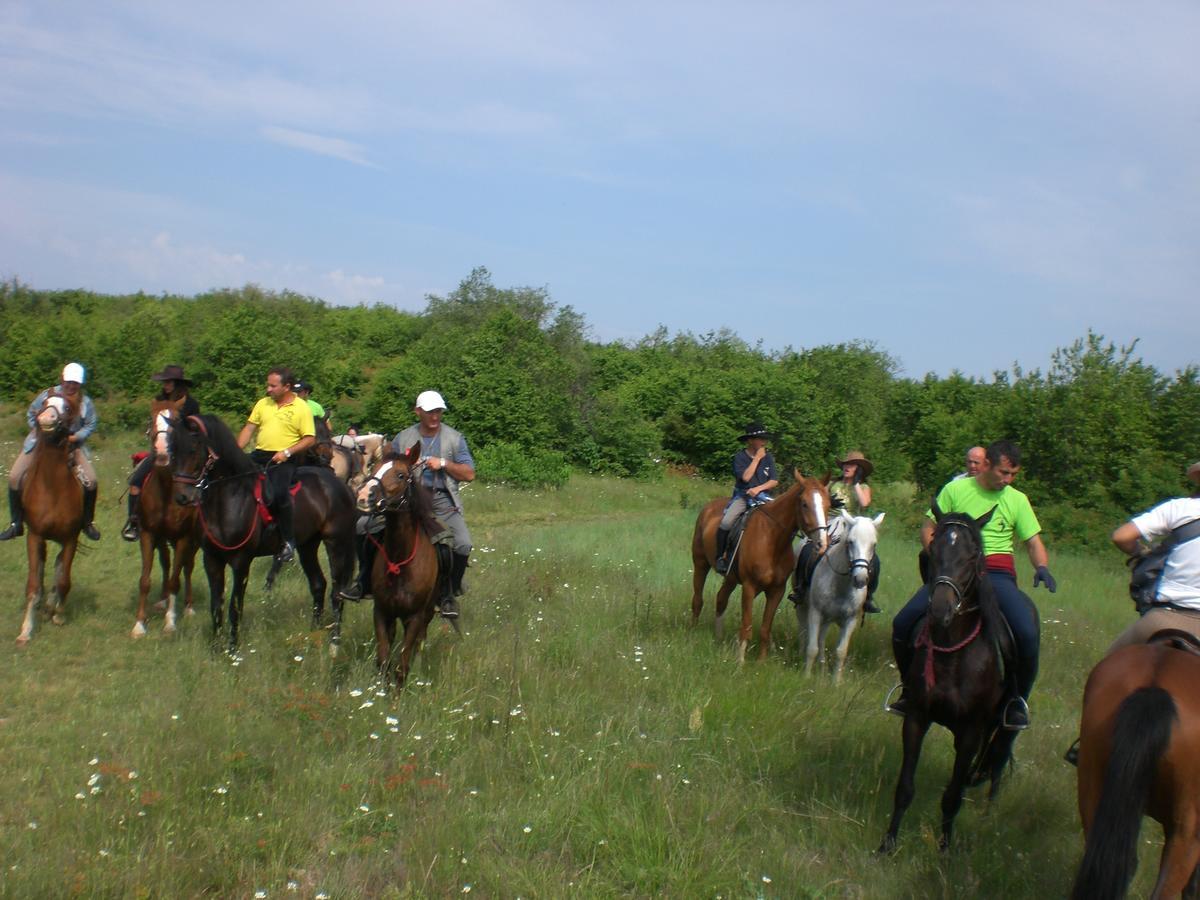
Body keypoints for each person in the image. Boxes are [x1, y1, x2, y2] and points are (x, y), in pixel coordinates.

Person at [889, 440, 1055, 729]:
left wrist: (1041, 566)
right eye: (1004, 472)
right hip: (952, 573)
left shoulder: (1017, 499)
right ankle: (909, 691)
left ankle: (1016, 701)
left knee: (1027, 632)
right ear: (987, 464)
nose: (1008, 479)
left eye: (1013, 475)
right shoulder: (956, 490)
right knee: (903, 623)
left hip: (996, 574)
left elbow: (1033, 542)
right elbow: (927, 529)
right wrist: (940, 559)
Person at [339, 390, 475, 618]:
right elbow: (385, 466)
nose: (435, 416)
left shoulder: (455, 438)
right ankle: (364, 581)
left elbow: (469, 473)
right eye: (430, 412)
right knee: (362, 526)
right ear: (418, 411)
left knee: (462, 543)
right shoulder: (403, 438)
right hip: (404, 499)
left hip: (440, 499)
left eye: (439, 411)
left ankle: (448, 593)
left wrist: (442, 463)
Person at [1106, 460, 1200, 653]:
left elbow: (1121, 536)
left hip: (1163, 620)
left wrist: (1141, 554)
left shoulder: (1179, 508)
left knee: (1107, 666)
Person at [1, 362, 101, 542]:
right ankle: (16, 523)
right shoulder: (47, 395)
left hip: (70, 446)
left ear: (80, 384)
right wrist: (40, 431)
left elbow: (90, 424)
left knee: (91, 481)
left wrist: (76, 436)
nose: (71, 386)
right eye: (68, 382)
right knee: (14, 477)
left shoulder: (85, 403)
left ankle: (87, 523)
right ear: (62, 379)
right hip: (40, 444)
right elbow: (31, 415)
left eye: (75, 383)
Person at [235, 367, 316, 563]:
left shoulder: (301, 408)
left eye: (273, 385)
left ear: (287, 387)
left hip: (285, 459)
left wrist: (287, 452)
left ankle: (288, 541)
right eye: (268, 385)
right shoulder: (263, 403)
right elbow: (249, 429)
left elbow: (310, 439)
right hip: (259, 454)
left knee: (279, 494)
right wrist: (235, 452)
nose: (268, 389)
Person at [121, 365, 201, 541]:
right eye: (164, 382)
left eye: (168, 382)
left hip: (183, 455)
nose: (165, 385)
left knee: (202, 481)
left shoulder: (191, 404)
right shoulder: (158, 400)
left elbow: (194, 431)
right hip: (160, 450)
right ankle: (133, 522)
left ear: (178, 383)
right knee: (136, 481)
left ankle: (202, 522)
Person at [714, 423, 779, 576]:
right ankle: (720, 557)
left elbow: (774, 480)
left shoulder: (768, 457)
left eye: (765, 439)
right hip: (744, 497)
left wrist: (759, 488)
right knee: (726, 522)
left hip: (763, 497)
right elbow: (746, 477)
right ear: (750, 441)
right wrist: (756, 459)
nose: (764, 442)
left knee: (781, 520)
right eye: (760, 439)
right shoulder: (740, 457)